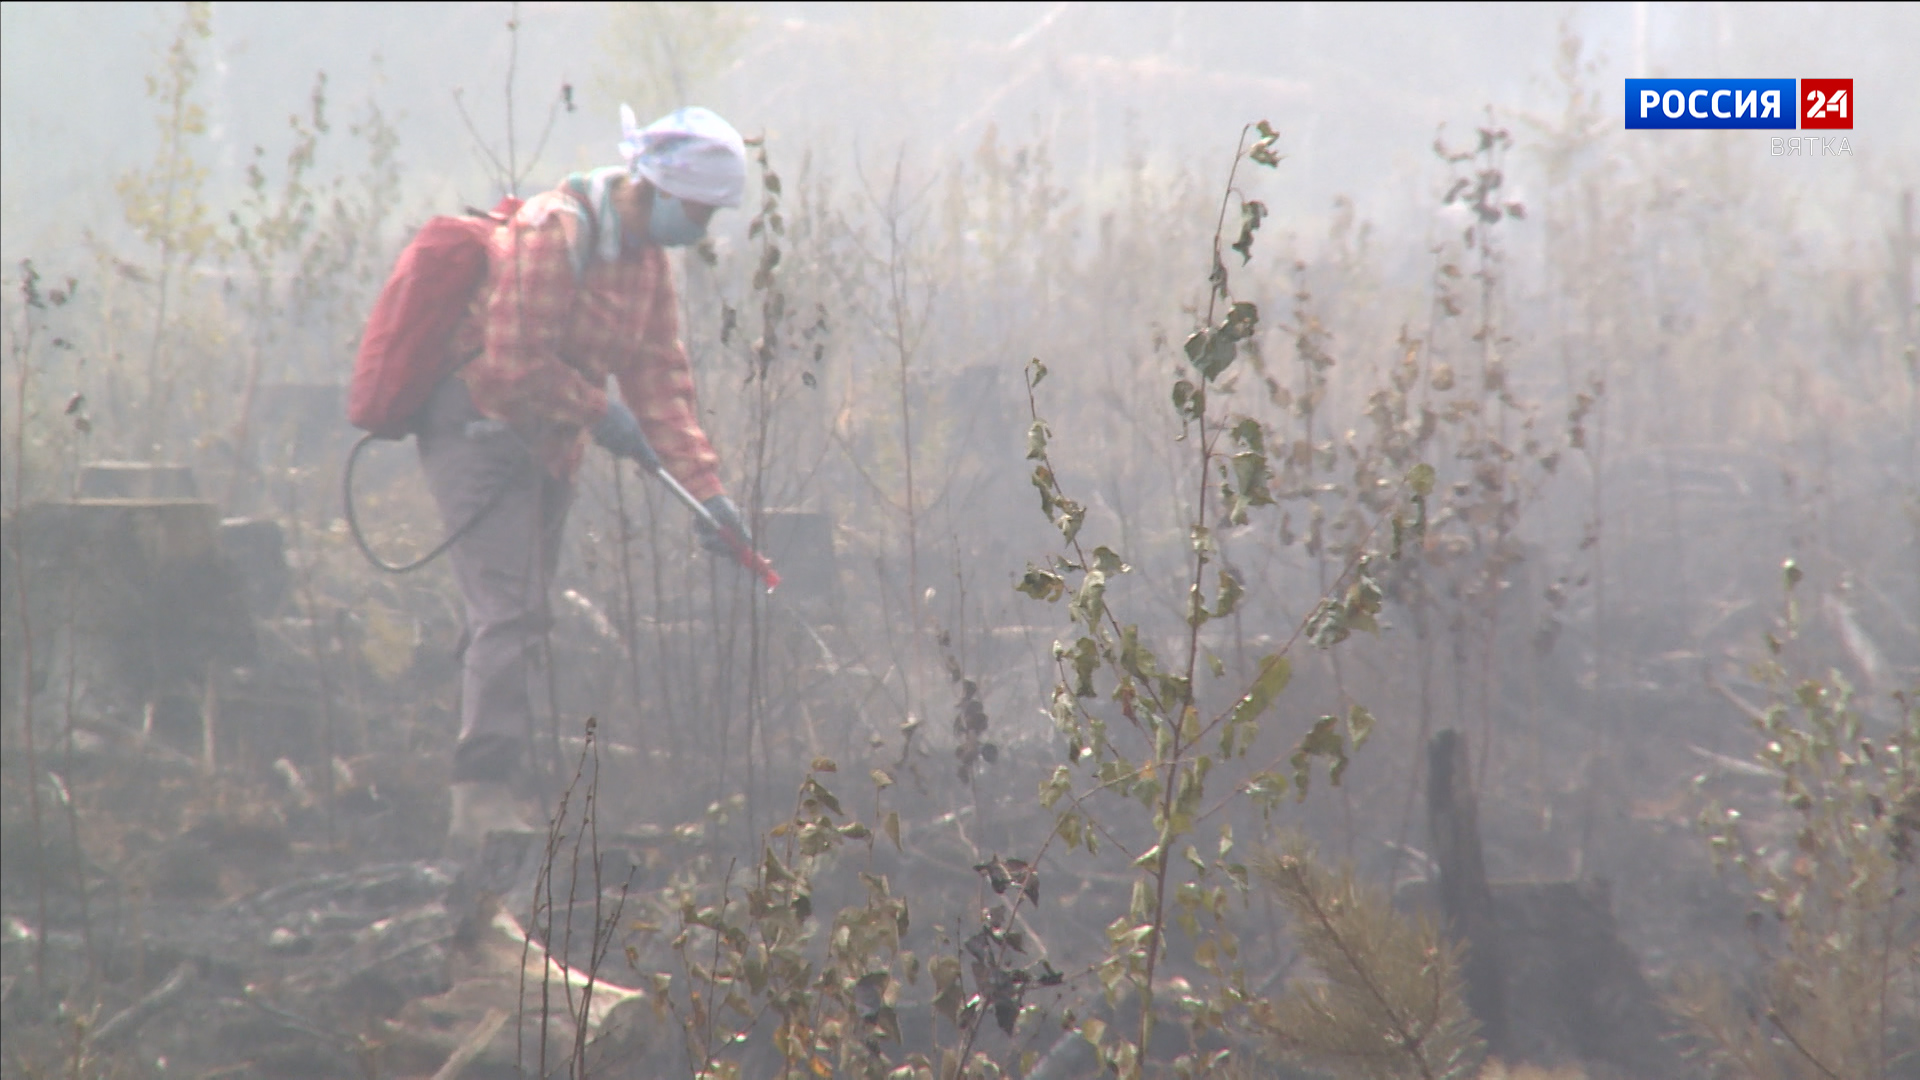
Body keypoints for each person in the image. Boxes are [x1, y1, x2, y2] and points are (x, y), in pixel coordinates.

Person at [422, 105, 752, 856]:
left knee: (519, 611)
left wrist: (708, 491)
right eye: (697, 209)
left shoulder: (644, 265)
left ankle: (497, 778)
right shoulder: (551, 235)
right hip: (476, 426)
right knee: (508, 607)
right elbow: (510, 367)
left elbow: (661, 379)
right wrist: (597, 410)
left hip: (547, 442)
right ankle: (477, 802)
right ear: (657, 187)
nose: (700, 227)